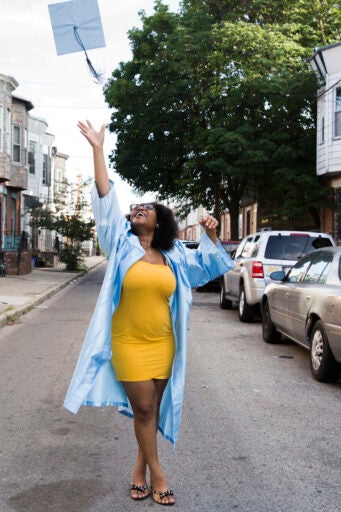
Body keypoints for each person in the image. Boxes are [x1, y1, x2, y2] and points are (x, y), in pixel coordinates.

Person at [64, 120, 233, 506]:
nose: (138, 209)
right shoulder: (120, 246)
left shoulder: (174, 255)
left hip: (163, 343)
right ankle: (158, 475)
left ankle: (138, 471)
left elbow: (207, 268)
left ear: (161, 221)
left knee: (150, 411)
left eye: (147, 207)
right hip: (128, 343)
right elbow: (106, 201)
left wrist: (210, 232)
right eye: (135, 207)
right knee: (143, 407)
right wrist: (97, 149)